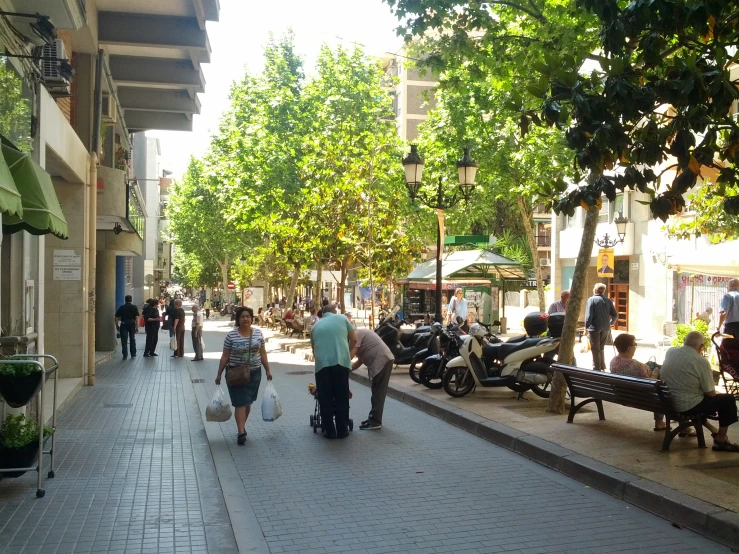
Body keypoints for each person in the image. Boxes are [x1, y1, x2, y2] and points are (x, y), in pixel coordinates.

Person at [660, 331, 739, 451]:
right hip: (685, 406)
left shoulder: (671, 352)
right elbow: (711, 393)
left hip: (667, 401)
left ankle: (714, 431)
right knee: (727, 400)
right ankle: (721, 440)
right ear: (701, 347)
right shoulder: (701, 361)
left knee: (696, 397)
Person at [215, 307, 273, 445]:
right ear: (238, 319)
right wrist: (219, 374)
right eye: (242, 317)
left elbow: (263, 353)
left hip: (254, 373)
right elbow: (225, 356)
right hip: (236, 373)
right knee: (240, 402)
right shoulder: (231, 336)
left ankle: (242, 426)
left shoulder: (258, 333)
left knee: (247, 402)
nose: (245, 319)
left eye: (248, 316)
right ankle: (241, 432)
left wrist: (268, 370)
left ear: (251, 318)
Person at [311, 303, 357, 439]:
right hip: (340, 363)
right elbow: (354, 339)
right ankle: (342, 430)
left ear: (322, 313)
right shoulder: (343, 319)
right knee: (342, 396)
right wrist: (345, 353)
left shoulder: (315, 326)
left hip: (322, 366)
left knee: (325, 397)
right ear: (334, 311)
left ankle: (329, 431)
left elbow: (314, 349)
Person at [609, 333, 665, 430]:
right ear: (629, 348)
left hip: (621, 394)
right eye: (635, 344)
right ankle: (659, 422)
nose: (636, 347)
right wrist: (655, 373)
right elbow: (651, 383)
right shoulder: (636, 365)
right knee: (662, 390)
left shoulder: (613, 361)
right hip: (639, 397)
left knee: (651, 365)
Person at [350, 328, 394, 430]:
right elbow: (359, 362)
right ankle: (373, 417)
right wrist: (347, 370)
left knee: (378, 392)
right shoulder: (360, 335)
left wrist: (341, 365)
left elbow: (351, 356)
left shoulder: (357, 334)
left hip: (382, 359)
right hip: (383, 359)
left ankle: (375, 421)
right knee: (376, 390)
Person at [585, 283, 617, 371]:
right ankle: (602, 366)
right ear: (604, 291)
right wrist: (610, 323)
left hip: (594, 328)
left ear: (595, 290)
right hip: (606, 328)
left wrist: (586, 327)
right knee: (601, 347)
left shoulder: (591, 300)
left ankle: (597, 368)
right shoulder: (608, 301)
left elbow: (588, 316)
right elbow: (615, 315)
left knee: (595, 349)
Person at [115, 295, 140, 360]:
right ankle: (133, 354)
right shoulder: (134, 307)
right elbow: (137, 317)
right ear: (131, 300)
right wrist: (137, 326)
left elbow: (116, 317)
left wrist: (117, 325)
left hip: (123, 324)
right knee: (132, 339)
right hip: (132, 324)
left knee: (124, 340)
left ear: (125, 300)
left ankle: (125, 355)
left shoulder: (122, 307)